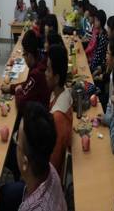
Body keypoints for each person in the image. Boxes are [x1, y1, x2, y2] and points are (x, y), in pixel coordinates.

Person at [0, 102, 67, 211]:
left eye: (17, 138)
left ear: (25, 163)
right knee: (5, 193)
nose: (16, 141)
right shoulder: (51, 169)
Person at [1, 30, 50, 114]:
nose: (24, 57)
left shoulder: (36, 73)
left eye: (24, 54)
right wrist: (11, 88)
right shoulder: (39, 59)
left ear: (29, 55)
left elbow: (21, 103)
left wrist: (17, 90)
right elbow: (28, 83)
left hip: (39, 114)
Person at [45, 44, 73, 174]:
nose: (45, 74)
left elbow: (53, 164)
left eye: (48, 70)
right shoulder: (62, 92)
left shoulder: (57, 117)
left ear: (56, 78)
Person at [90, 10, 109, 104]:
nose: (94, 22)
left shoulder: (103, 38)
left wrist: (92, 69)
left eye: (96, 20)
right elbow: (95, 53)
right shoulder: (99, 34)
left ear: (100, 22)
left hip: (100, 69)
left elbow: (98, 57)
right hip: (96, 67)